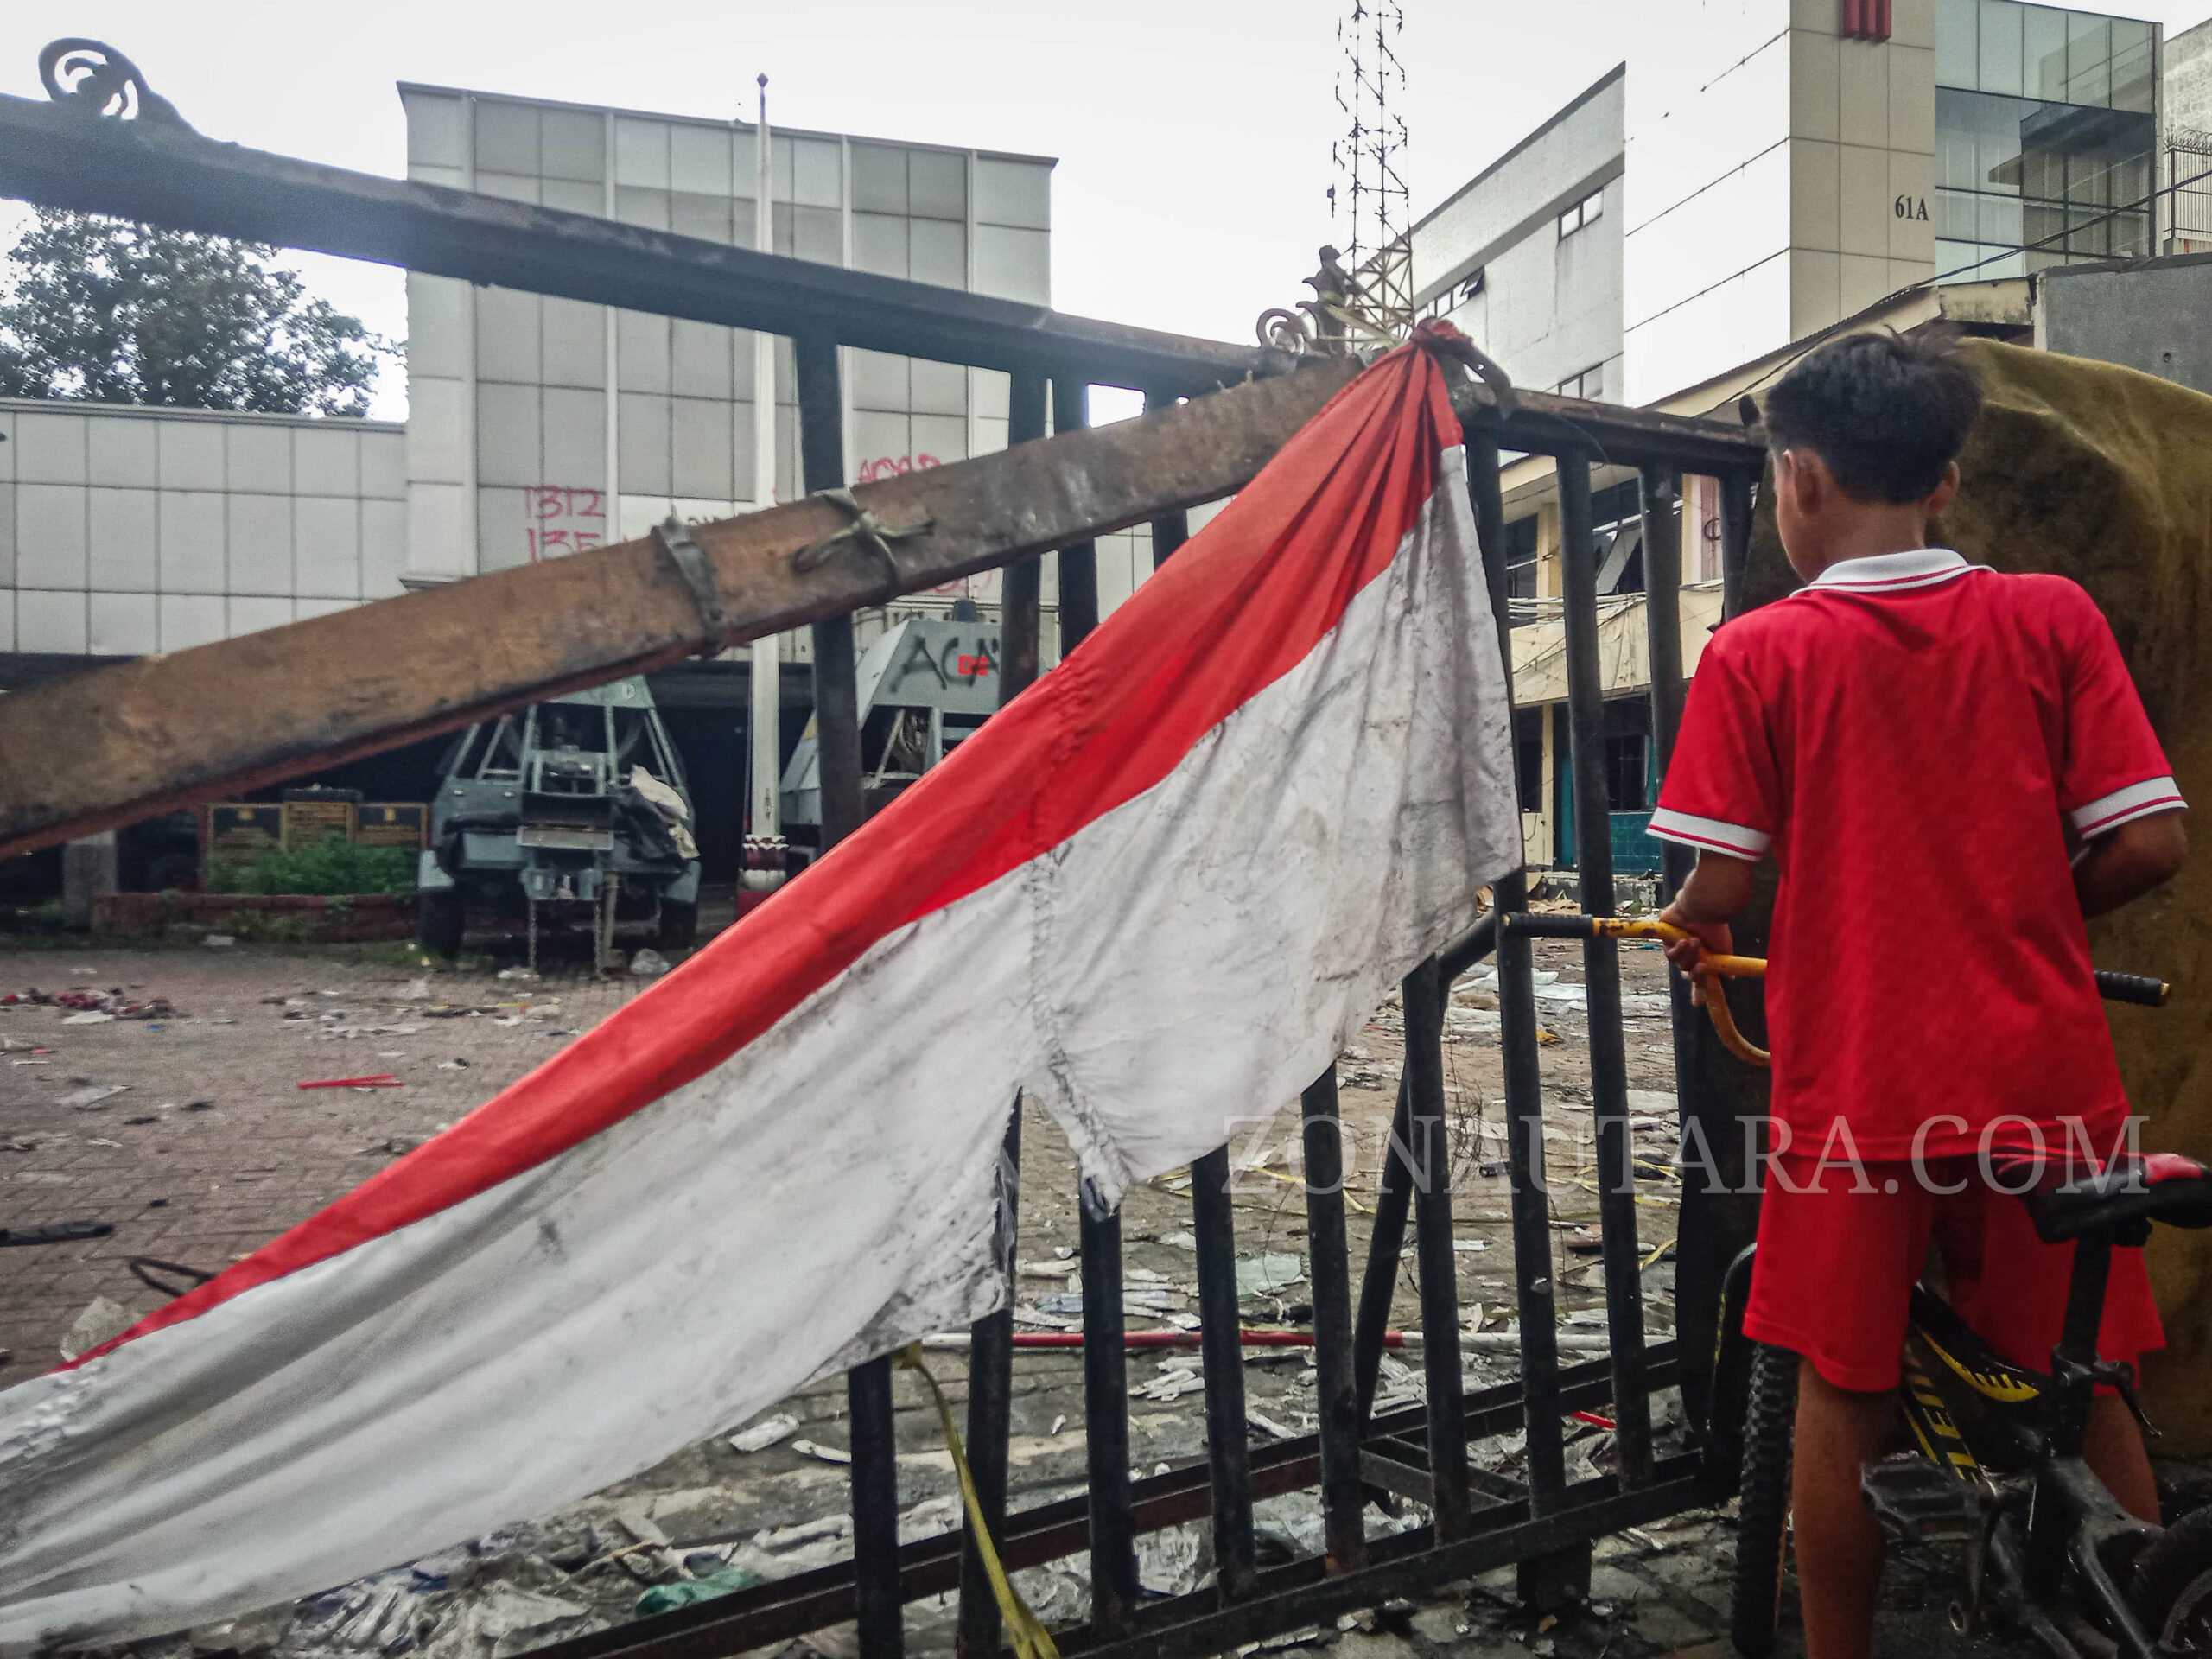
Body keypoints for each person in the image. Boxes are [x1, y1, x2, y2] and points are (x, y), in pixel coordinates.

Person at [1649, 330, 2189, 1659]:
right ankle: (2146, 1620)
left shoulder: (1762, 655)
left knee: (1842, 1383)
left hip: (1858, 1091)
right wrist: (2012, 915)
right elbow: (2149, 840)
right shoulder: (2048, 617)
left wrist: (1682, 926)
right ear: (1946, 481)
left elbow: (1718, 883)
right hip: (2042, 1076)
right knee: (2085, 1374)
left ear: (1798, 480)